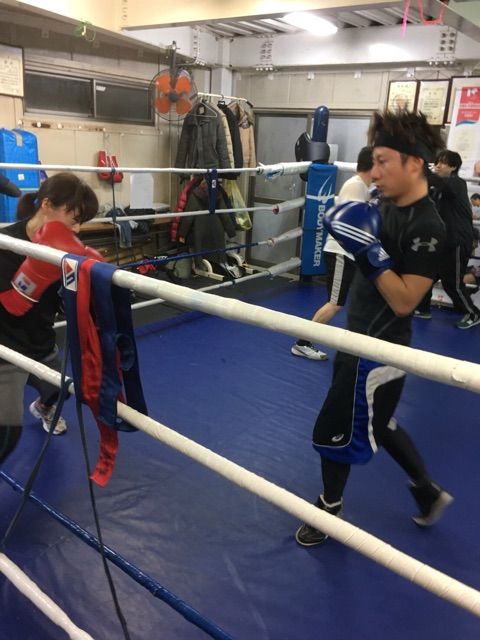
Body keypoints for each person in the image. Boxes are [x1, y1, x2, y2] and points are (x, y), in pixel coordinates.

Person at [295, 110, 453, 547]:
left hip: (378, 350)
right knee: (379, 424)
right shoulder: (382, 205)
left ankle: (329, 509)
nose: (375, 172)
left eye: (383, 162)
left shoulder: (428, 227)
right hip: (356, 336)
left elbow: (404, 302)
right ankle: (427, 491)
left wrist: (368, 252)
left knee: (332, 430)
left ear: (414, 163)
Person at [0, 172, 101, 464]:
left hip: (40, 341)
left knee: (62, 391)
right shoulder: (7, 243)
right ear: (47, 204)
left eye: (82, 221)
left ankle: (43, 407)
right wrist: (36, 271)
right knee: (7, 433)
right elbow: (10, 306)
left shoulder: (68, 249)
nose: (77, 228)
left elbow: (65, 302)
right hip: (6, 348)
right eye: (74, 218)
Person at [291, 146, 374, 360]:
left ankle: (363, 345)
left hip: (351, 254)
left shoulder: (364, 187)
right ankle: (302, 342)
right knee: (335, 303)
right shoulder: (356, 186)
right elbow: (347, 223)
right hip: (341, 253)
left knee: (362, 297)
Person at [414, 151, 480, 328]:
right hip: (442, 241)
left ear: (453, 167)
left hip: (457, 240)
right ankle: (423, 308)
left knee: (452, 283)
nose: (438, 165)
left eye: (443, 163)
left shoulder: (457, 183)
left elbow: (439, 183)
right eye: (437, 162)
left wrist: (421, 166)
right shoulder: (437, 189)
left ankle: (473, 314)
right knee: (427, 276)